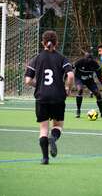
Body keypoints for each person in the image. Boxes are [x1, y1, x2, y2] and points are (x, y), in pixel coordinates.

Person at [25, 30, 74, 165]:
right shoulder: (61, 58)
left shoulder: (36, 58)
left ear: (43, 43)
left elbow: (28, 80)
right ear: (56, 43)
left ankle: (45, 158)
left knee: (43, 129)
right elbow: (70, 76)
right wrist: (68, 89)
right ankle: (53, 138)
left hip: (42, 98)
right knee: (57, 126)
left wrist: (39, 85)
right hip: (58, 97)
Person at [74, 52, 102, 118]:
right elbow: (70, 69)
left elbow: (100, 77)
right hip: (79, 79)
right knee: (80, 90)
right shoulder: (80, 62)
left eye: (90, 59)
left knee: (98, 93)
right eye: (87, 59)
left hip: (89, 80)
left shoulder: (95, 64)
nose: (89, 60)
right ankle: (78, 110)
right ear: (85, 58)